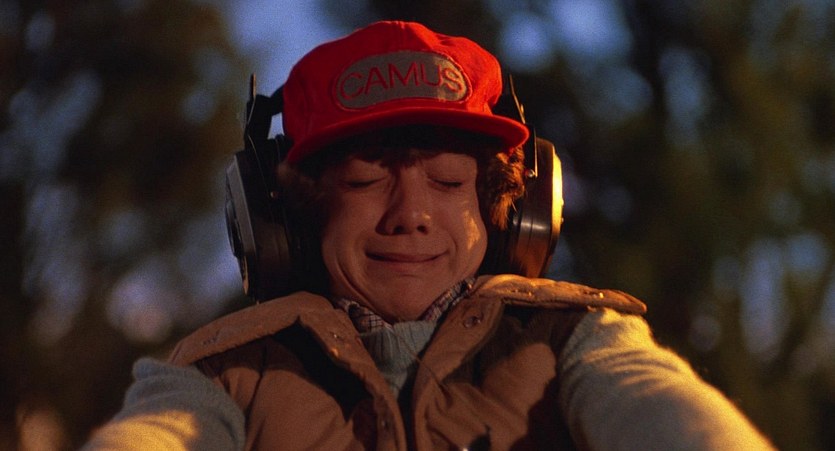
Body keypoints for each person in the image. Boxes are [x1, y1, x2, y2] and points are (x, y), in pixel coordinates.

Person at [83, 21, 774, 450]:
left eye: (447, 180)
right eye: (365, 179)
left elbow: (659, 407)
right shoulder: (220, 375)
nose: (411, 212)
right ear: (289, 213)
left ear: (507, 207)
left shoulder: (575, 340)